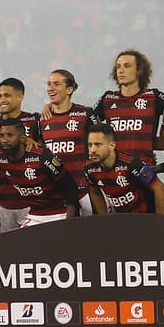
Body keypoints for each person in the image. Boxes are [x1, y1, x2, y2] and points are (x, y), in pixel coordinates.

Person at [0, 118, 78, 229]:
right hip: (35, 214)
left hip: (59, 212)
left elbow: (70, 187)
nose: (4, 140)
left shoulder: (41, 157)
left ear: (23, 138)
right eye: (2, 136)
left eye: (10, 135)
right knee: (23, 245)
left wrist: (69, 221)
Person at [92, 50, 164, 166]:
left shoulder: (153, 96)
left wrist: (163, 133)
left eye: (127, 66)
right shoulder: (108, 98)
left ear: (139, 71)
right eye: (118, 67)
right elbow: (87, 122)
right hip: (114, 171)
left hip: (144, 170)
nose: (121, 70)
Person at [0, 77, 39, 233]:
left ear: (20, 96)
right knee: (6, 253)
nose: (1, 100)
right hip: (3, 204)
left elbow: (45, 152)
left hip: (32, 203)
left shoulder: (34, 120)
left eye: (7, 95)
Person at [39, 69, 100, 217]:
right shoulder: (41, 119)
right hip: (57, 195)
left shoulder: (85, 114)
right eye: (49, 84)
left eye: (56, 84)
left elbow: (102, 142)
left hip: (85, 191)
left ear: (69, 89)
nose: (50, 88)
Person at [84, 123, 164, 214]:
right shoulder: (89, 168)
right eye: (90, 145)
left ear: (112, 146)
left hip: (144, 217)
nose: (92, 150)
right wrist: (103, 219)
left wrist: (159, 221)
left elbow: (160, 188)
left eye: (98, 144)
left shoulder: (132, 164)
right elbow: (95, 192)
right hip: (120, 218)